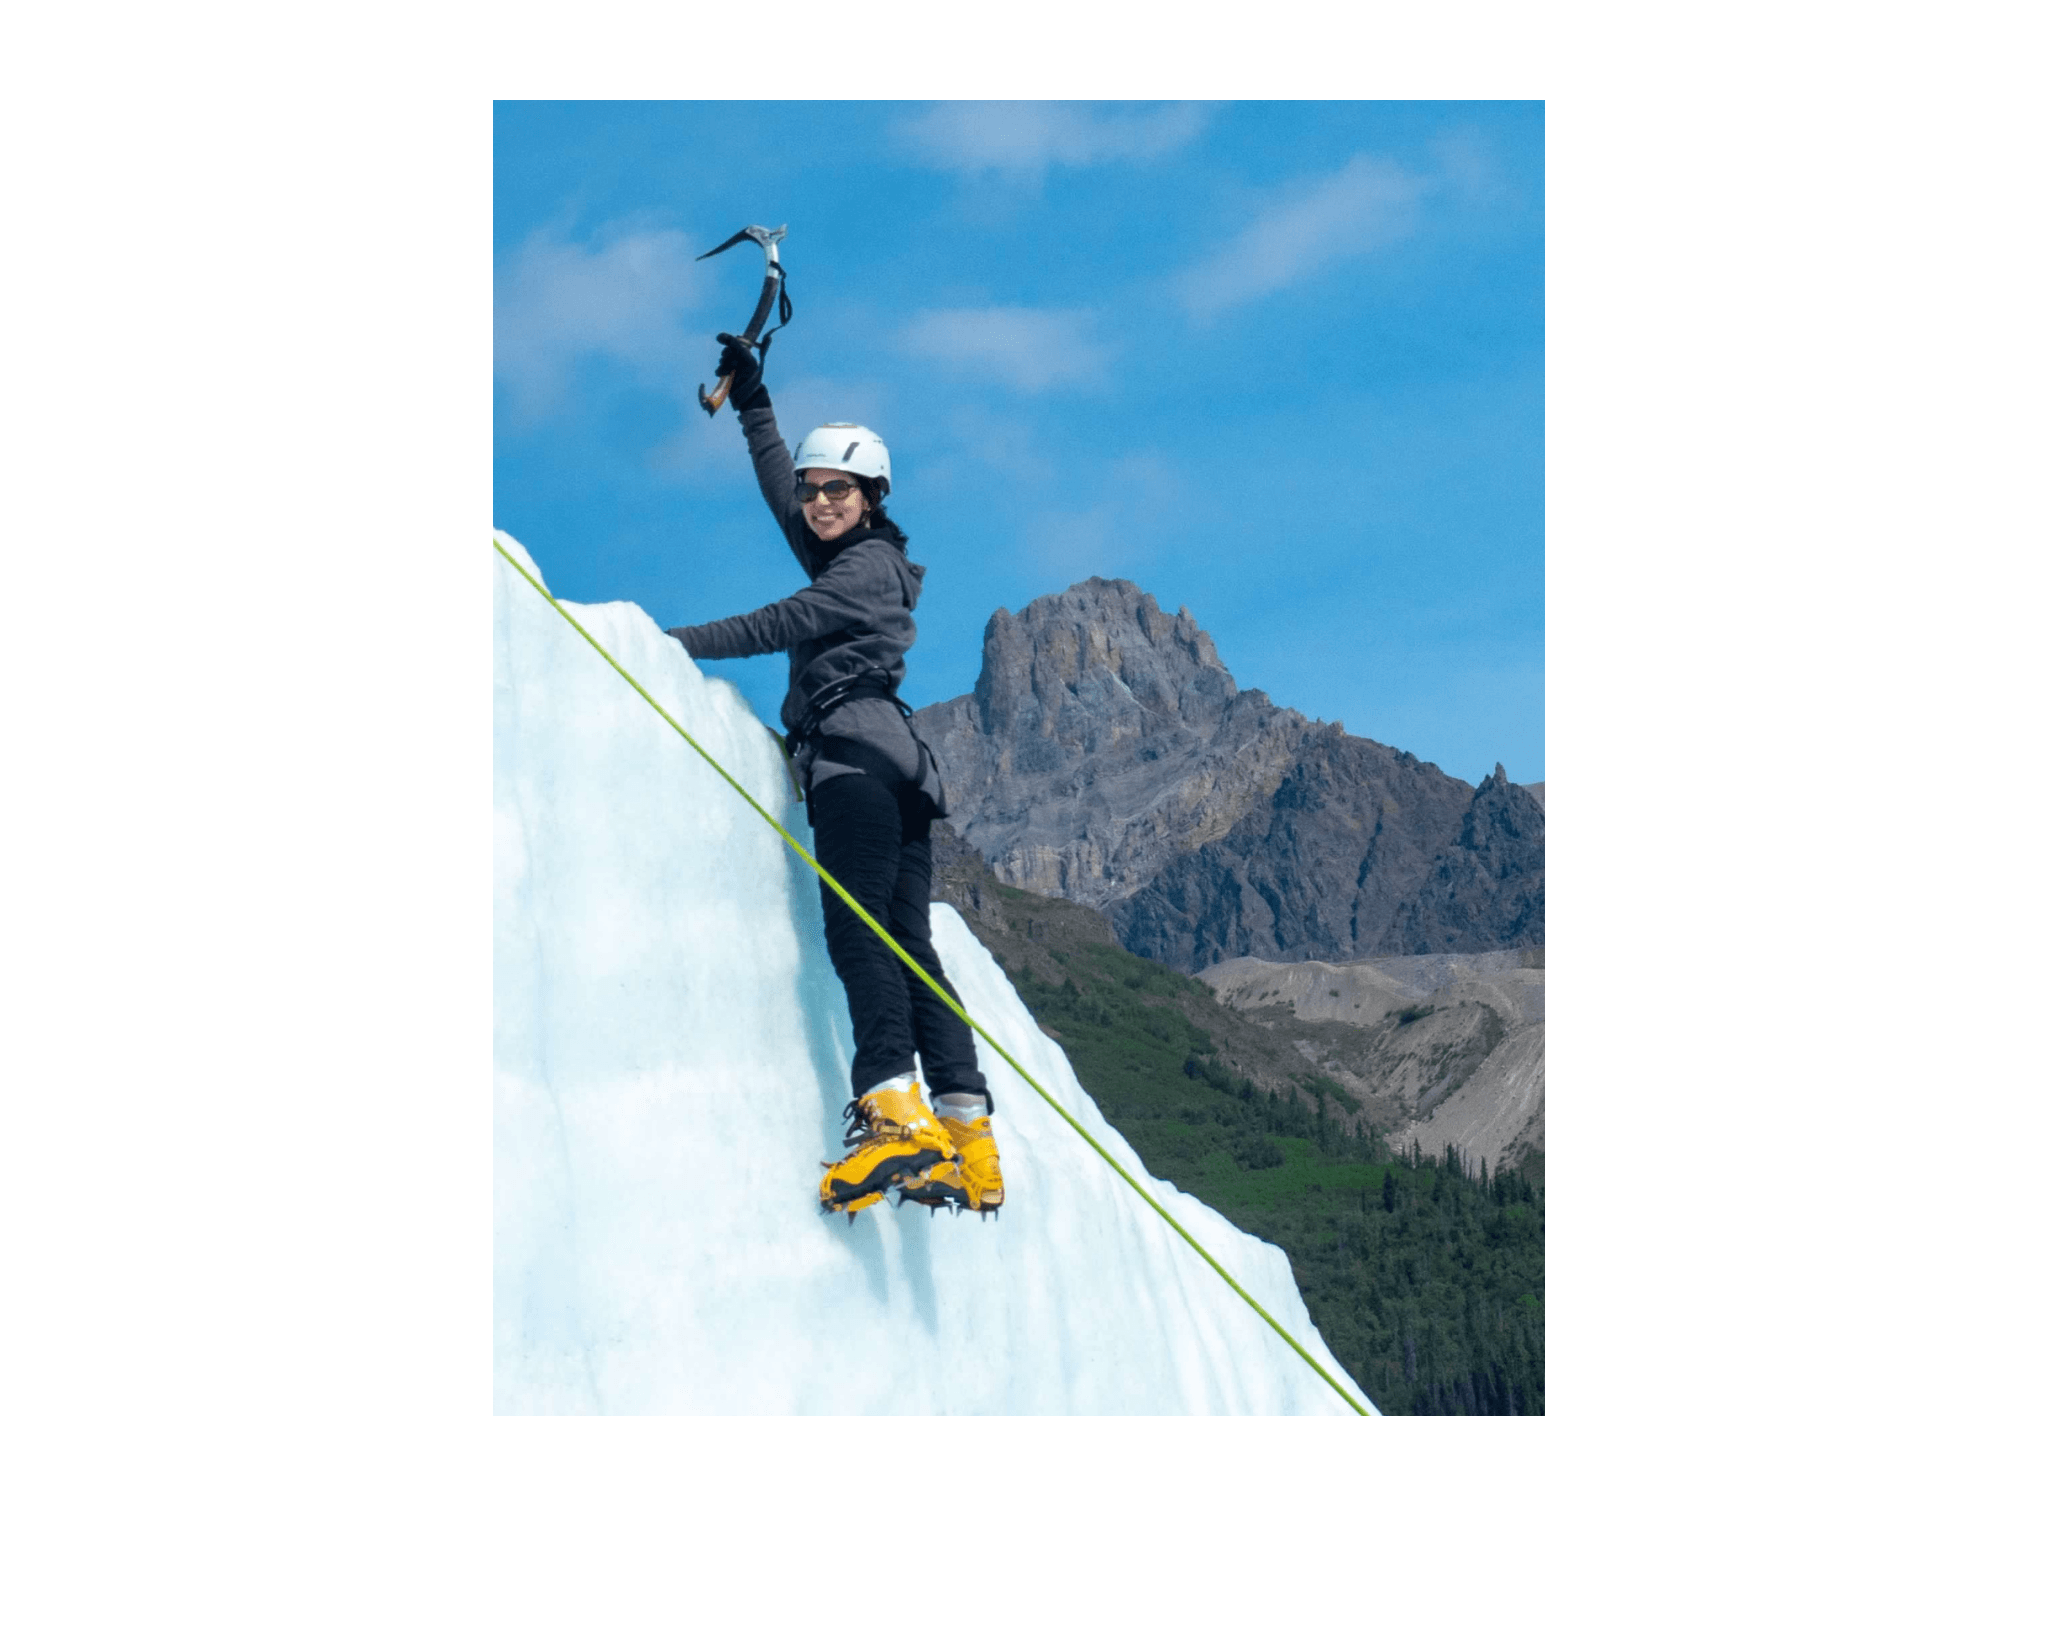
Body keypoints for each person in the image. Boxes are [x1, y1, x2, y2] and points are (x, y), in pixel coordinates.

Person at [665, 333, 1004, 1219]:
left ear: (871, 498)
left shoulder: (864, 573)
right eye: (816, 489)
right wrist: (754, 403)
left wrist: (660, 644)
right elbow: (783, 497)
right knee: (908, 945)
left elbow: (782, 619)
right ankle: (968, 1137)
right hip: (897, 770)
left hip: (854, 767)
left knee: (860, 937)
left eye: (836, 490)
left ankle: (893, 1114)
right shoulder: (863, 556)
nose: (817, 501)